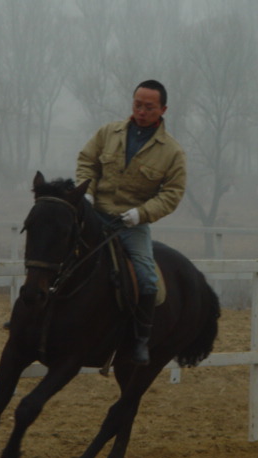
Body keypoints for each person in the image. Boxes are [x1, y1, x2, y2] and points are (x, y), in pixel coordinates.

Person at [76, 79, 187, 366]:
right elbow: (87, 160)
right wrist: (86, 192)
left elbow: (172, 194)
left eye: (149, 107)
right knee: (54, 252)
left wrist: (141, 214)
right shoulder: (107, 133)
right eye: (137, 105)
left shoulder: (173, 152)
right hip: (95, 213)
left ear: (163, 109)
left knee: (148, 280)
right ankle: (28, 316)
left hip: (131, 225)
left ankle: (140, 340)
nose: (141, 111)